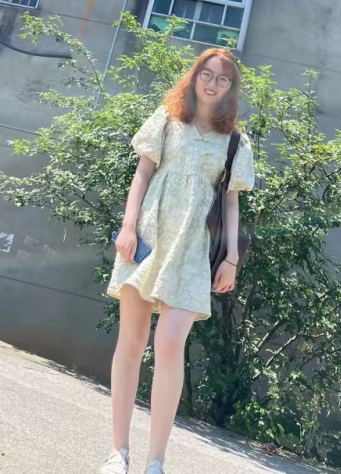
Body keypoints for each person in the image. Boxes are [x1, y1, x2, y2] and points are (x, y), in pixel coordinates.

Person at [101, 47, 256, 474]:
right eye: (207, 74)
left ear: (231, 88)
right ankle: (118, 452)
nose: (212, 83)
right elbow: (142, 174)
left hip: (192, 250)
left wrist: (231, 258)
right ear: (194, 76)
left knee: (169, 345)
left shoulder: (236, 142)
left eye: (222, 78)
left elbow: (231, 203)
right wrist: (128, 227)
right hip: (148, 237)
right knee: (131, 342)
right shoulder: (167, 120)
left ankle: (156, 461)